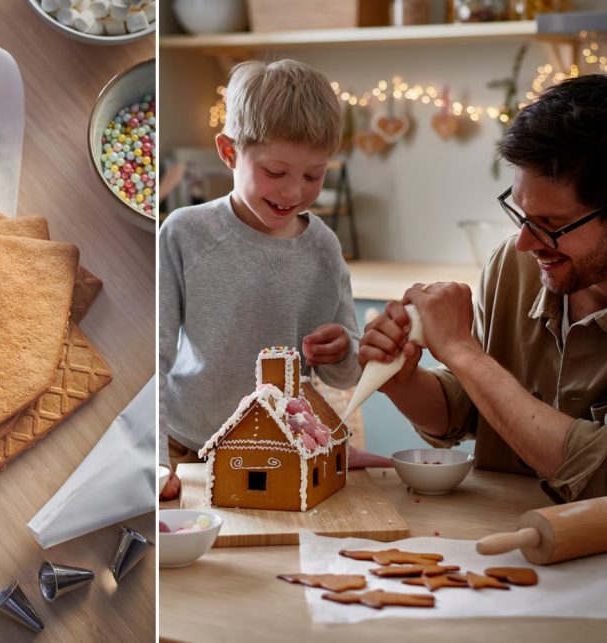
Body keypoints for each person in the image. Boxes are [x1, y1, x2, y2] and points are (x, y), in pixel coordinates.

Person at [359, 74, 607, 503]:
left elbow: (599, 470)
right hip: (493, 532)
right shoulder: (514, 265)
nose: (526, 242)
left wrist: (461, 350)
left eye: (551, 224)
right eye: (521, 214)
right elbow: (474, 409)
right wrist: (403, 381)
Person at [159, 60, 362, 499]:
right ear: (229, 152)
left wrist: (344, 350)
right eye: (275, 172)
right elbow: (152, 357)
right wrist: (154, 459)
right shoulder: (184, 233)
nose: (294, 192)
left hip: (283, 455)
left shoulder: (324, 249)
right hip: (184, 451)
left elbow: (347, 376)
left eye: (314, 175)